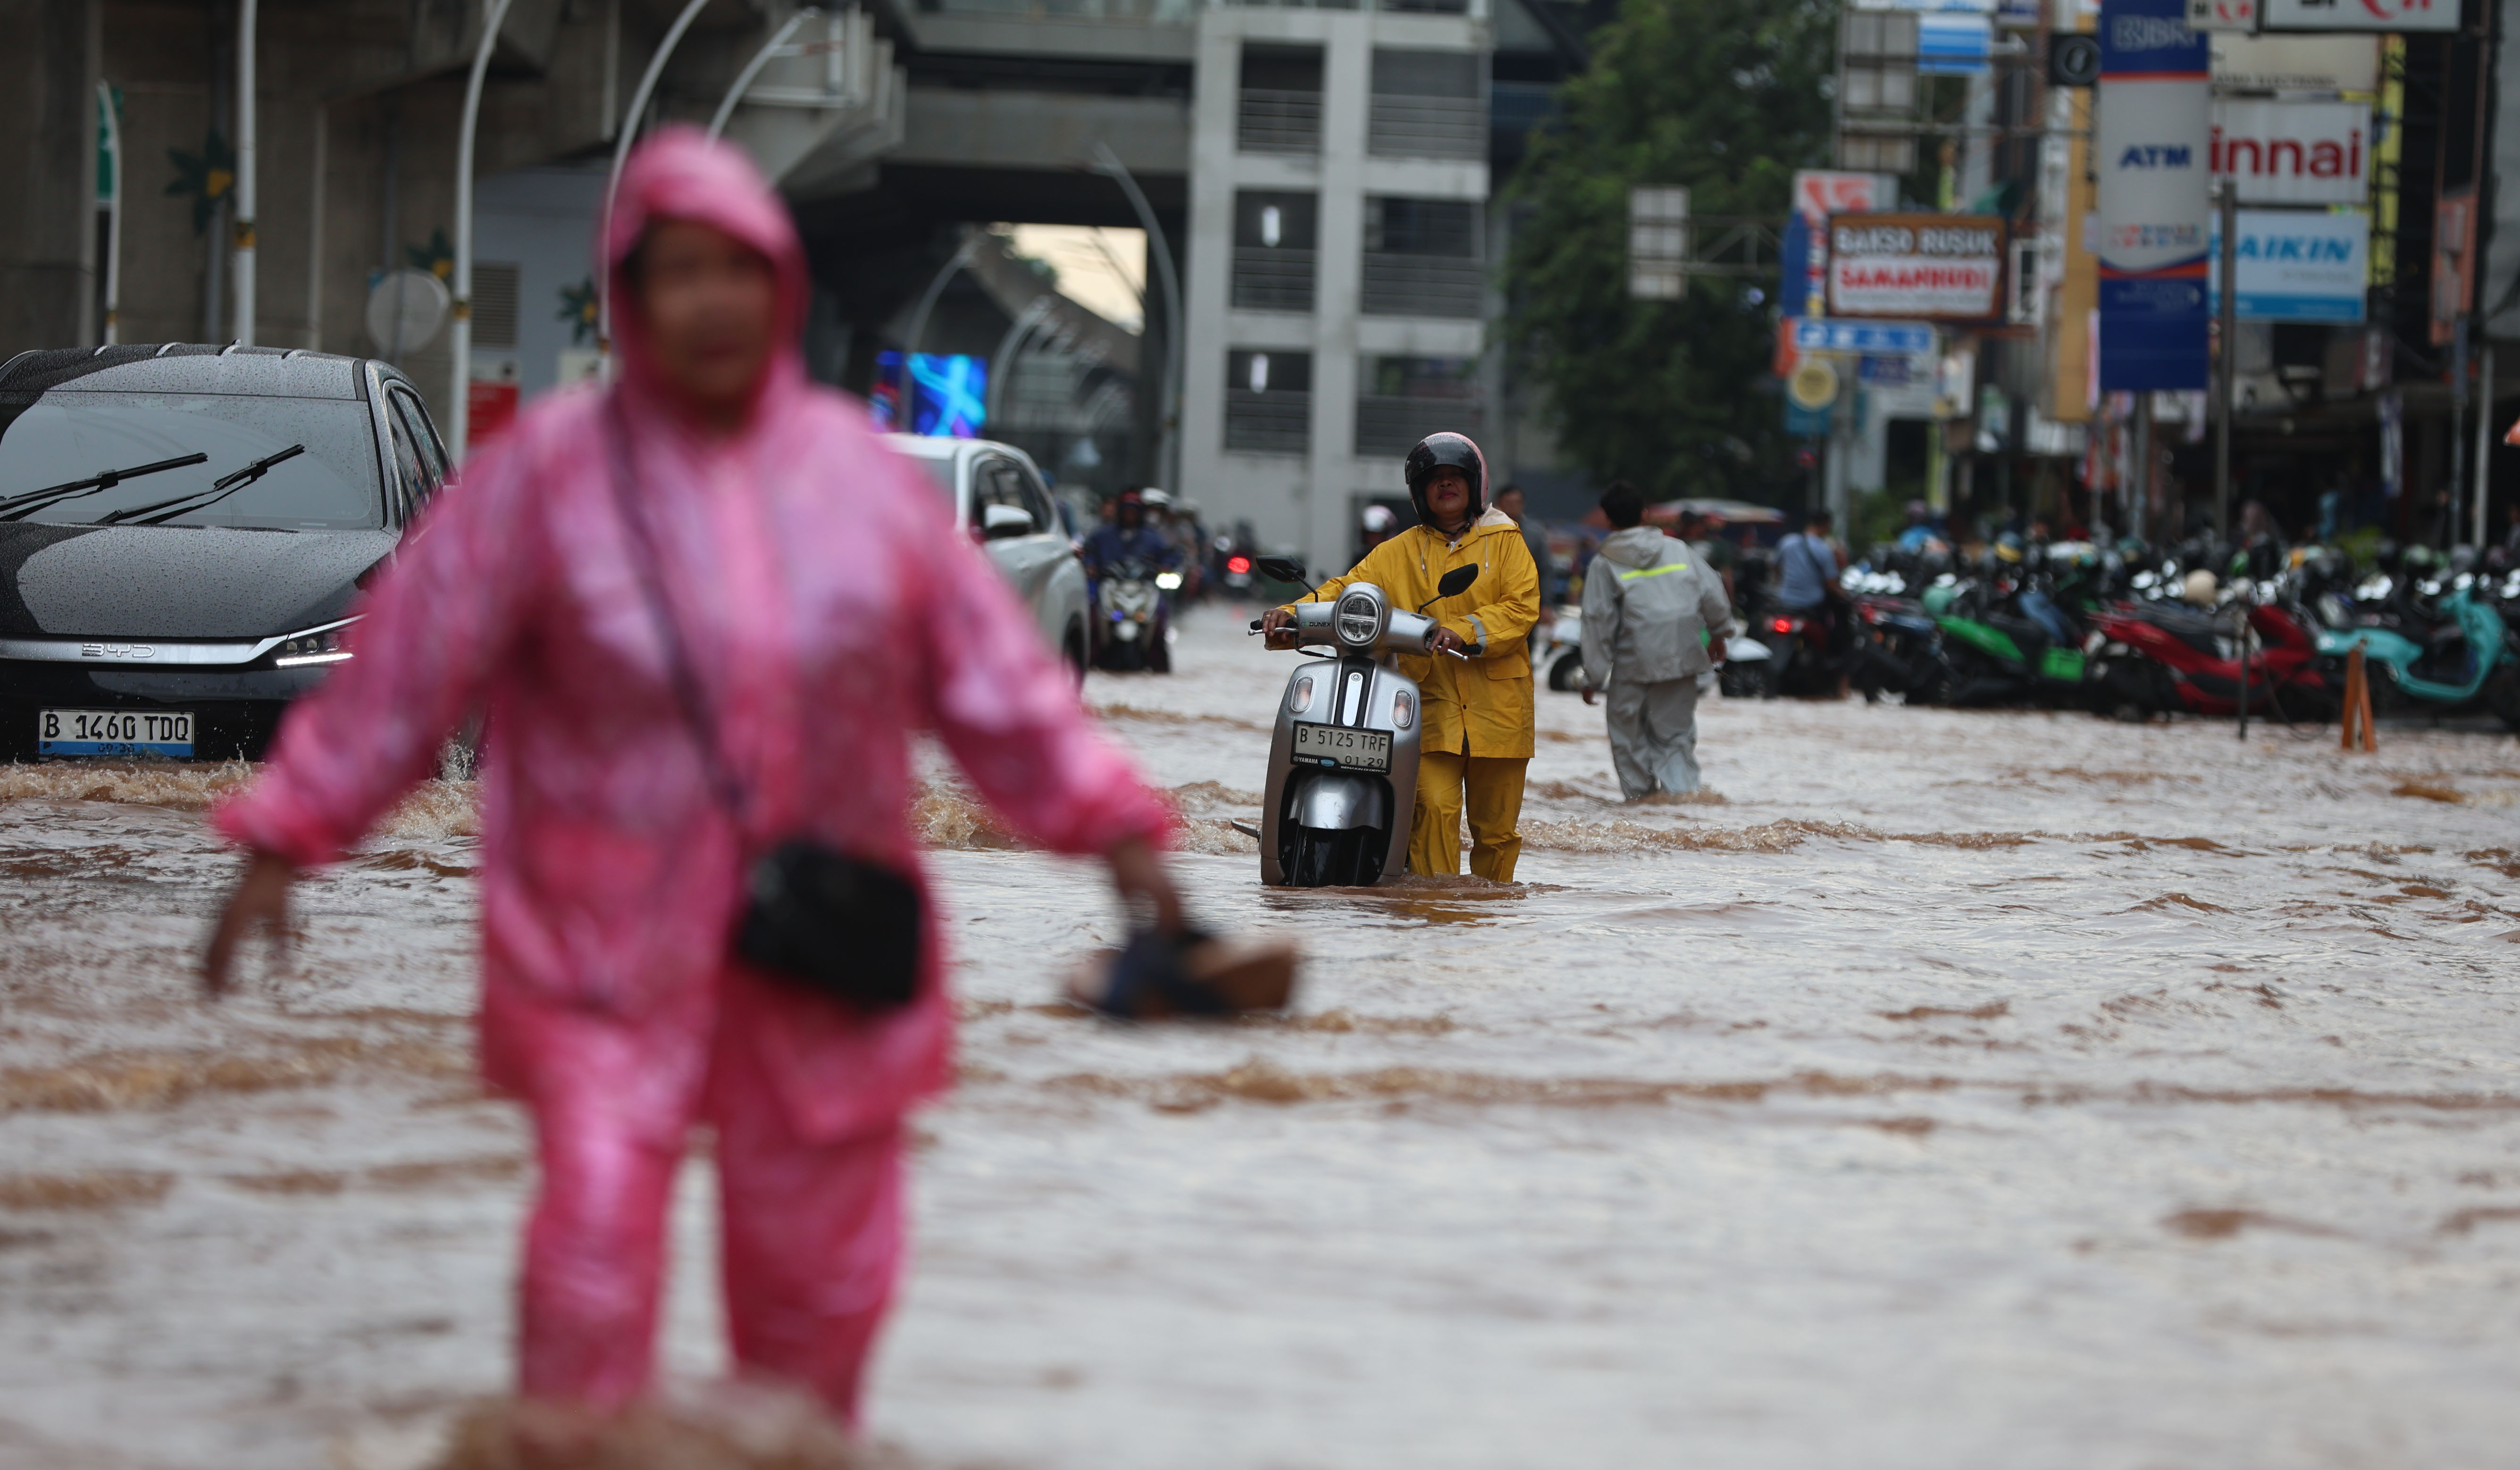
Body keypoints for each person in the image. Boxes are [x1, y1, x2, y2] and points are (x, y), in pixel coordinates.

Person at [199, 128, 1181, 1431]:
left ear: (778, 288)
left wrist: (1121, 839)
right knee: (590, 1263)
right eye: (680, 271)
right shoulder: (543, 480)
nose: (713, 299)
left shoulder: (857, 482)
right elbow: (403, 678)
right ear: (631, 295)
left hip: (819, 944)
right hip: (601, 943)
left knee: (819, 1300)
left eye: (739, 268)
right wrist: (283, 838)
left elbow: (1000, 692)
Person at [1260, 433, 1539, 881]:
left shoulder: (1506, 540)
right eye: (1435, 479)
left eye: (1454, 478)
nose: (1445, 486)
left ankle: (1491, 917)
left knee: (1497, 832)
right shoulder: (1397, 551)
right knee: (1433, 811)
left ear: (1473, 485)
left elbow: (1521, 607)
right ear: (1419, 492)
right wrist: (1289, 614)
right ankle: (1435, 912)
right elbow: (1345, 590)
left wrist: (1462, 631)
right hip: (1430, 708)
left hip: (1500, 713)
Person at [1579, 482, 1735, 800]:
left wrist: (1592, 676)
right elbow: (1712, 592)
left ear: (1608, 521)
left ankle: (1641, 806)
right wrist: (1719, 633)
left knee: (1628, 738)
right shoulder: (1678, 549)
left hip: (1633, 662)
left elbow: (1597, 623)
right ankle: (1682, 805)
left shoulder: (1603, 563)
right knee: (1675, 738)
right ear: (1645, 514)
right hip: (1681, 655)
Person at [1773, 507, 1846, 693]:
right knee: (1836, 638)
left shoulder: (1787, 542)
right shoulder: (1823, 549)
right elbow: (1831, 584)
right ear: (1825, 526)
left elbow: (1776, 569)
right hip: (1812, 607)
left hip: (1785, 604)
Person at [1083, 490, 1177, 579]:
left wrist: (1166, 566)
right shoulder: (1103, 535)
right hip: (1109, 585)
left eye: (1133, 512)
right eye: (1127, 511)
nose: (1130, 515)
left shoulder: (1151, 537)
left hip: (1143, 587)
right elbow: (1090, 551)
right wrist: (1091, 565)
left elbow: (1168, 553)